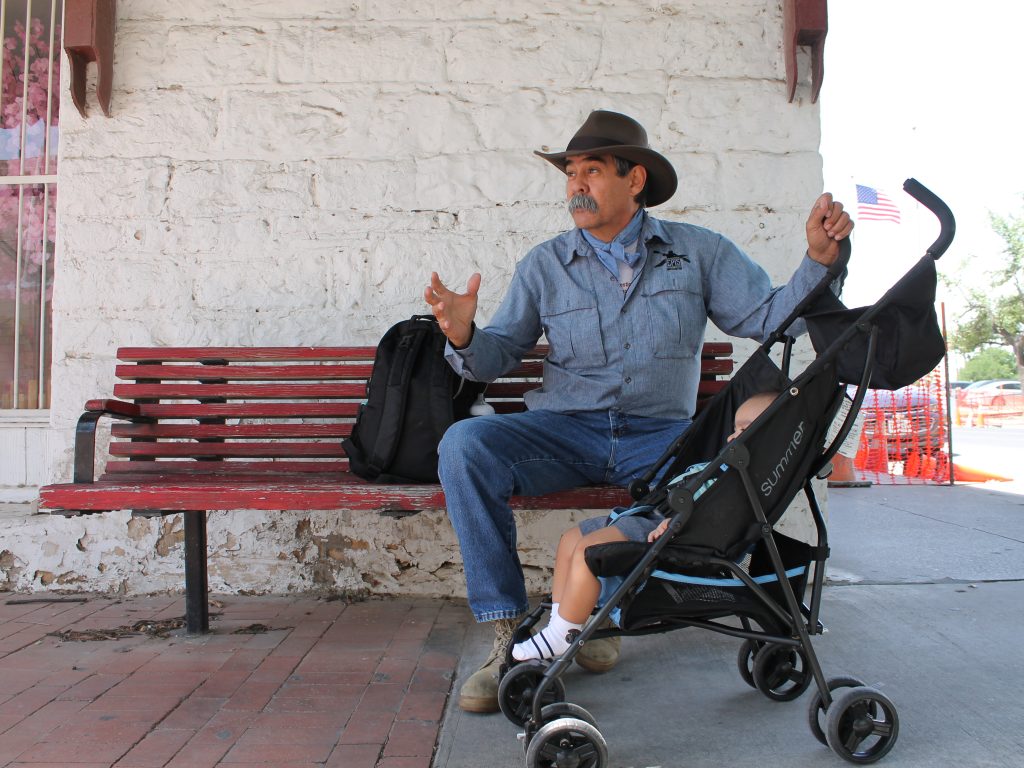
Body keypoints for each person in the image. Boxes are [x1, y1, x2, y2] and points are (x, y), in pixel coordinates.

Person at [424, 110, 852, 713]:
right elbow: (495, 357)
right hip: (565, 434)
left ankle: (597, 617)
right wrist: (465, 336)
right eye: (571, 173)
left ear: (635, 179)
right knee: (465, 445)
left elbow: (769, 319)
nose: (576, 184)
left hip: (664, 441)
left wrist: (820, 262)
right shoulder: (545, 264)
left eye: (592, 171)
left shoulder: (698, 252)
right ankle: (508, 635)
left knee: (735, 464)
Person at [511, 391, 777, 663]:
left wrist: (677, 523)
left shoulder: (743, 480)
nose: (734, 436)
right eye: (735, 428)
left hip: (673, 531)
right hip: (651, 514)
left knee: (590, 551)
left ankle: (561, 637)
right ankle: (561, 621)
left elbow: (720, 515)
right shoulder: (725, 465)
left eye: (746, 428)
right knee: (571, 538)